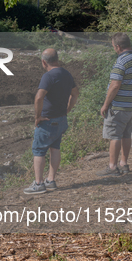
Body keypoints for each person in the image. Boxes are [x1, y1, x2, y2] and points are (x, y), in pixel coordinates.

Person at [24, 48, 79, 194]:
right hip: (61, 119)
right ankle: (51, 180)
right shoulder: (66, 74)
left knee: (39, 150)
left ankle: (38, 184)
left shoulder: (48, 76)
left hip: (48, 120)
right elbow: (75, 94)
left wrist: (37, 116)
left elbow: (38, 97)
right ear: (57, 59)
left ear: (44, 62)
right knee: (55, 148)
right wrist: (67, 110)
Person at [97, 33, 132, 176]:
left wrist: (106, 104)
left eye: (113, 47)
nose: (114, 49)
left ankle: (112, 167)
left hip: (119, 107)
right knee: (126, 135)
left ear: (118, 46)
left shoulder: (121, 61)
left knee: (115, 136)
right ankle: (124, 164)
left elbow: (115, 85)